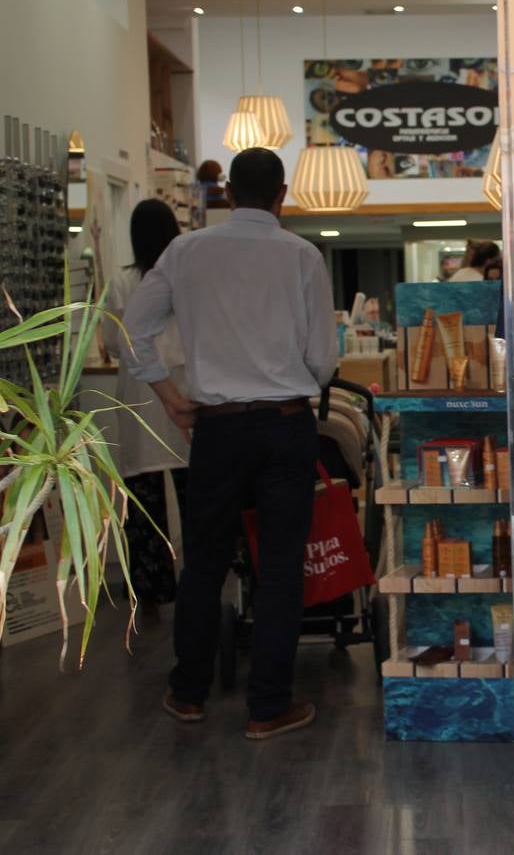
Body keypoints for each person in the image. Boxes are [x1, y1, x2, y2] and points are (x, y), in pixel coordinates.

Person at [124, 147, 338, 740]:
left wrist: (169, 397)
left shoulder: (186, 251)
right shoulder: (302, 256)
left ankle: (188, 692)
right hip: (284, 424)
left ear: (226, 194)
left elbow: (130, 330)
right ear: (283, 194)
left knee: (206, 562)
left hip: (216, 429)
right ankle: (268, 706)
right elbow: (322, 361)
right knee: (279, 569)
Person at [100, 199, 190, 615]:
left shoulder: (121, 282)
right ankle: (204, 578)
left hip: (138, 390)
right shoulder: (188, 273)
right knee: (197, 491)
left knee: (143, 499)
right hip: (185, 386)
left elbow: (113, 340)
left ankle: (151, 588)